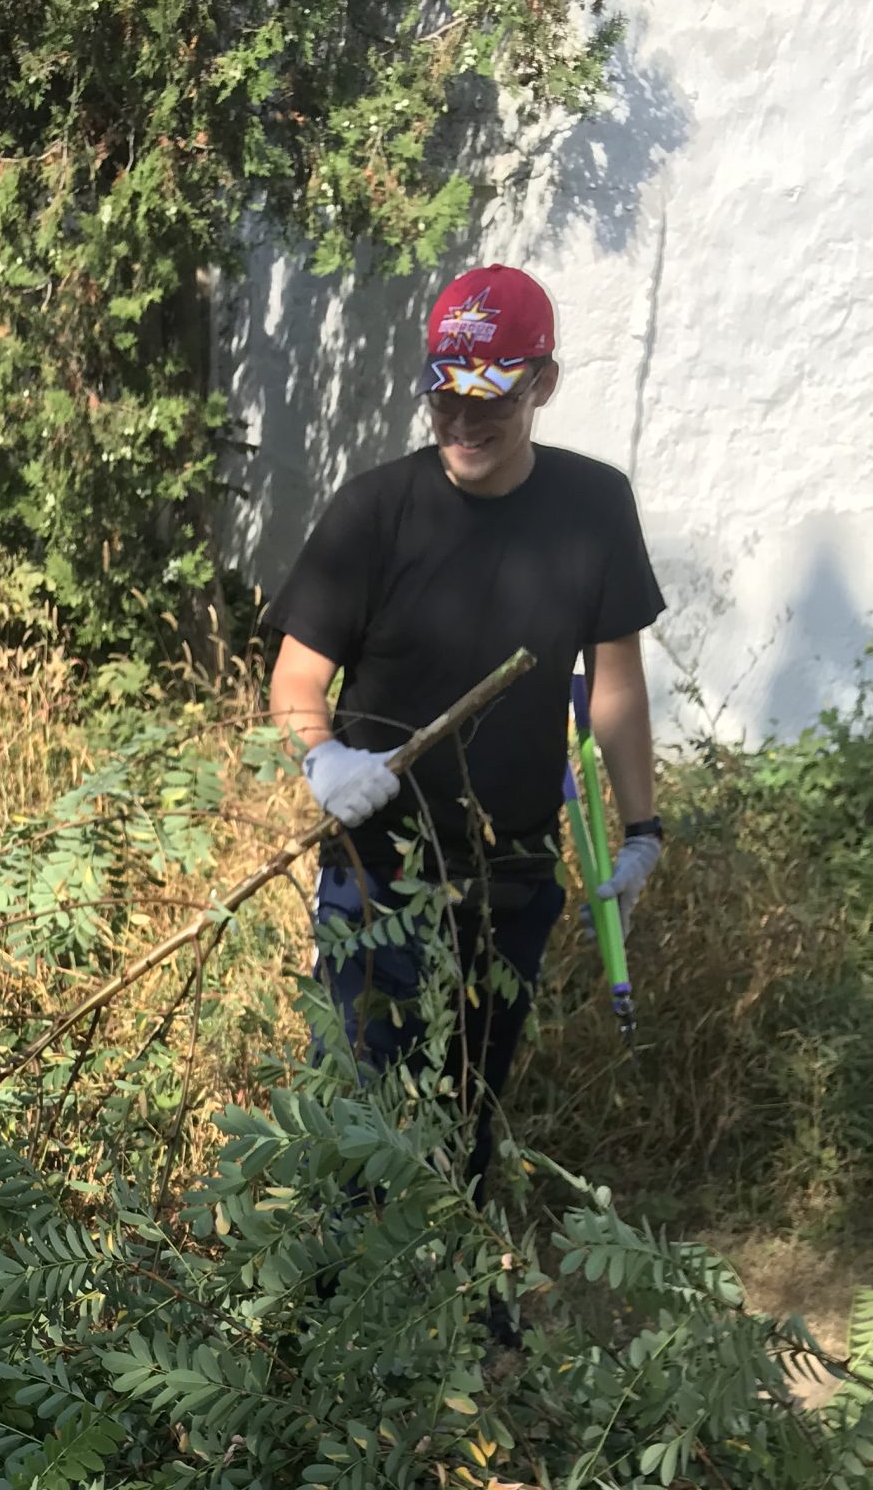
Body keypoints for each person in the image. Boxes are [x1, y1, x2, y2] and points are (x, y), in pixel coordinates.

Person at [266, 264, 665, 1193]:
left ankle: (454, 1267)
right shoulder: (375, 511)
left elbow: (614, 686)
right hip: (379, 875)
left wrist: (643, 830)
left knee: (465, 1109)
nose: (461, 421)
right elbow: (295, 676)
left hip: (512, 879)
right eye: (444, 397)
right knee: (360, 1113)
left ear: (543, 385)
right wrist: (323, 757)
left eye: (490, 399)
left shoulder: (594, 508)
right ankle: (339, 1280)